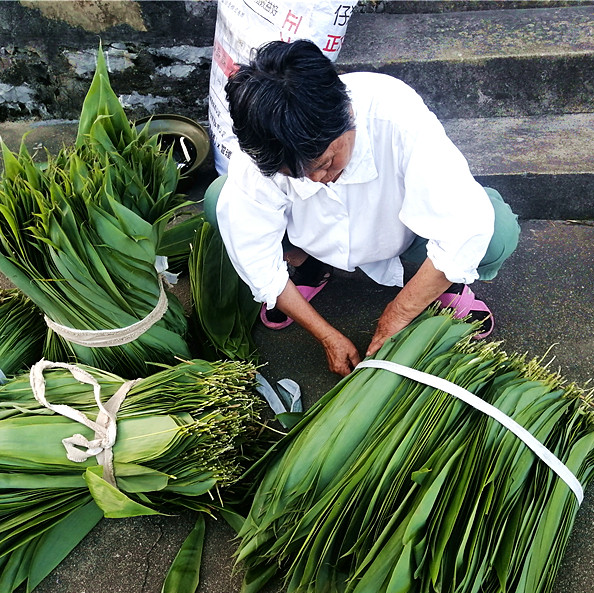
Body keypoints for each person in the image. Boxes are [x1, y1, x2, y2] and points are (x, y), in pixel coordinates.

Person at [205, 39, 519, 376]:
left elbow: (464, 226)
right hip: (309, 235)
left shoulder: (395, 114)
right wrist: (325, 335)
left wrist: (396, 316)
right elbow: (255, 257)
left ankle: (446, 285)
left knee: (494, 232)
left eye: (326, 163)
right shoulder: (261, 148)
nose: (316, 180)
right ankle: (308, 266)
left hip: (403, 233)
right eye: (297, 174)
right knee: (218, 201)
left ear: (349, 116)